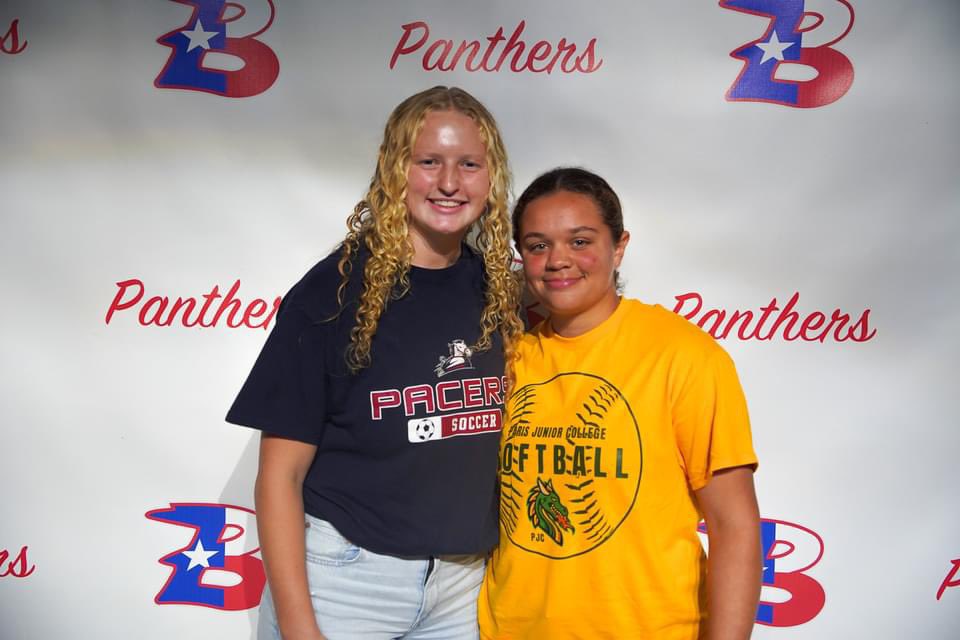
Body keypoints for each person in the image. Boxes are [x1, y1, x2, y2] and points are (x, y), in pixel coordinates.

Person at [227, 86, 523, 640]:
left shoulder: (498, 290)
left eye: (469, 164)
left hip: (462, 588)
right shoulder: (331, 293)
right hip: (344, 584)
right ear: (394, 169)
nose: (450, 183)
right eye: (428, 161)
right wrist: (299, 625)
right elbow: (279, 476)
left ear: (492, 177)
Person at [478, 167, 761, 640]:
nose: (558, 260)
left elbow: (734, 526)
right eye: (538, 245)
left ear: (619, 247)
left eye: (581, 241)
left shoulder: (684, 356)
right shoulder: (511, 359)